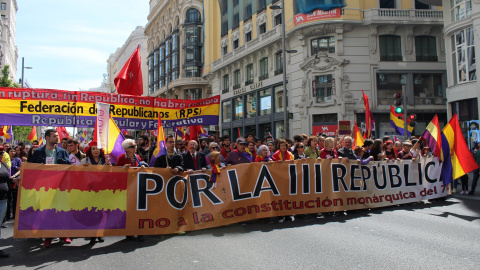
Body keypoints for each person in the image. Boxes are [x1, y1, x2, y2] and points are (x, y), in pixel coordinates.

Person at [31, 129, 72, 248]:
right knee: (46, 212)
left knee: (62, 211)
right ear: (47, 138)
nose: (57, 138)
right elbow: (32, 169)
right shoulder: (38, 152)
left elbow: (69, 168)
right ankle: (48, 237)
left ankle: (63, 235)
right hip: (44, 188)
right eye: (54, 136)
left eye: (57, 135)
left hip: (60, 187)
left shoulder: (63, 152)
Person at [81, 141, 109, 244]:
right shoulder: (85, 160)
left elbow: (110, 174)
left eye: (97, 148)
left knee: (101, 213)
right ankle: (92, 234)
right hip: (89, 190)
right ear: (90, 150)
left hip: (102, 190)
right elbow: (79, 175)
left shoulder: (105, 160)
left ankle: (99, 233)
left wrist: (108, 165)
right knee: (91, 213)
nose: (96, 150)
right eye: (93, 148)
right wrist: (82, 168)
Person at [0, 146, 10, 257]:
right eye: (0, 152)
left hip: (3, 199)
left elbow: (7, 179)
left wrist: (15, 180)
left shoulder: (3, 164)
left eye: (2, 152)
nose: (2, 154)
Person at [5, 147, 20, 222]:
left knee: (15, 199)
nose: (13, 152)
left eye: (14, 151)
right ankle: (7, 215)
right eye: (11, 151)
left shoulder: (17, 160)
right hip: (7, 180)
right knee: (8, 198)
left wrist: (14, 176)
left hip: (15, 181)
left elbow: (20, 170)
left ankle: (15, 214)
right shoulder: (5, 160)